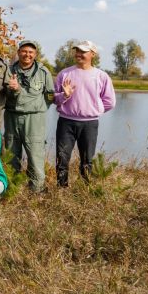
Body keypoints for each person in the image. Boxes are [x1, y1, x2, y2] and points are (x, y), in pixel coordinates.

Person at [54, 40, 116, 187]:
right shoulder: (64, 73)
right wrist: (65, 95)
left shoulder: (101, 76)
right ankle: (61, 190)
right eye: (77, 51)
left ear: (92, 54)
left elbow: (110, 102)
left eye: (83, 51)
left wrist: (93, 110)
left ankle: (84, 190)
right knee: (62, 158)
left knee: (87, 159)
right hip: (65, 122)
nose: (79, 54)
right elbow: (54, 99)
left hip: (90, 124)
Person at [4, 40, 54, 192]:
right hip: (12, 116)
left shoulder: (43, 72)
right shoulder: (9, 70)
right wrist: (12, 90)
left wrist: (38, 107)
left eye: (31, 52)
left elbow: (50, 95)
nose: (27, 54)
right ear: (18, 53)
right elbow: (2, 94)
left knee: (35, 154)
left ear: (35, 54)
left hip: (34, 119)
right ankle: (12, 187)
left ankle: (37, 189)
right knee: (11, 154)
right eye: (24, 51)